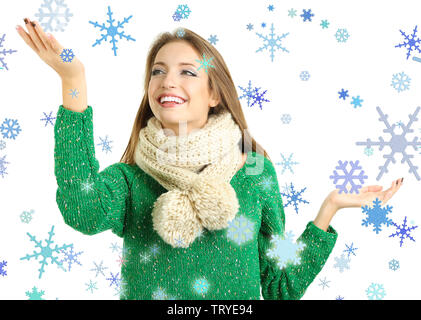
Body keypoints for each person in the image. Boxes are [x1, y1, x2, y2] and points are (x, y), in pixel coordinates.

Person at [16, 17, 403, 300]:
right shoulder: (130, 181)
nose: (168, 81)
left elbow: (278, 286)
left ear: (215, 94)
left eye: (187, 72)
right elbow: (80, 210)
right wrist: (73, 81)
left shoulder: (253, 171)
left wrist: (329, 209)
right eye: (158, 71)